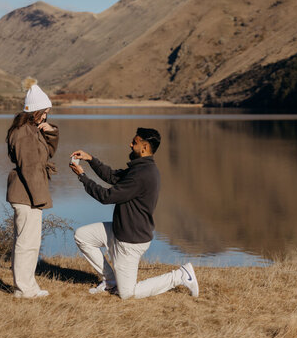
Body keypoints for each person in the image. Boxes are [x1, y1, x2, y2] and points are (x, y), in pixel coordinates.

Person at [69, 128, 199, 300]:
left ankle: (180, 276)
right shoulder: (140, 169)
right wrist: (91, 159)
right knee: (82, 236)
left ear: (144, 147)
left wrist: (83, 177)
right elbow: (113, 176)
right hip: (119, 230)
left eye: (135, 142)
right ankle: (110, 281)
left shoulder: (142, 175)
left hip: (130, 240)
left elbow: (107, 197)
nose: (130, 144)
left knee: (128, 294)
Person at [6, 78, 59, 298]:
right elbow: (29, 168)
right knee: (27, 243)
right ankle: (24, 288)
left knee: (28, 242)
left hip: (28, 193)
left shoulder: (30, 129)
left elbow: (47, 154)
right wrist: (40, 198)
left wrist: (50, 132)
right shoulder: (25, 133)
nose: (47, 115)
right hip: (27, 194)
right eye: (45, 111)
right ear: (36, 110)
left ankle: (27, 285)